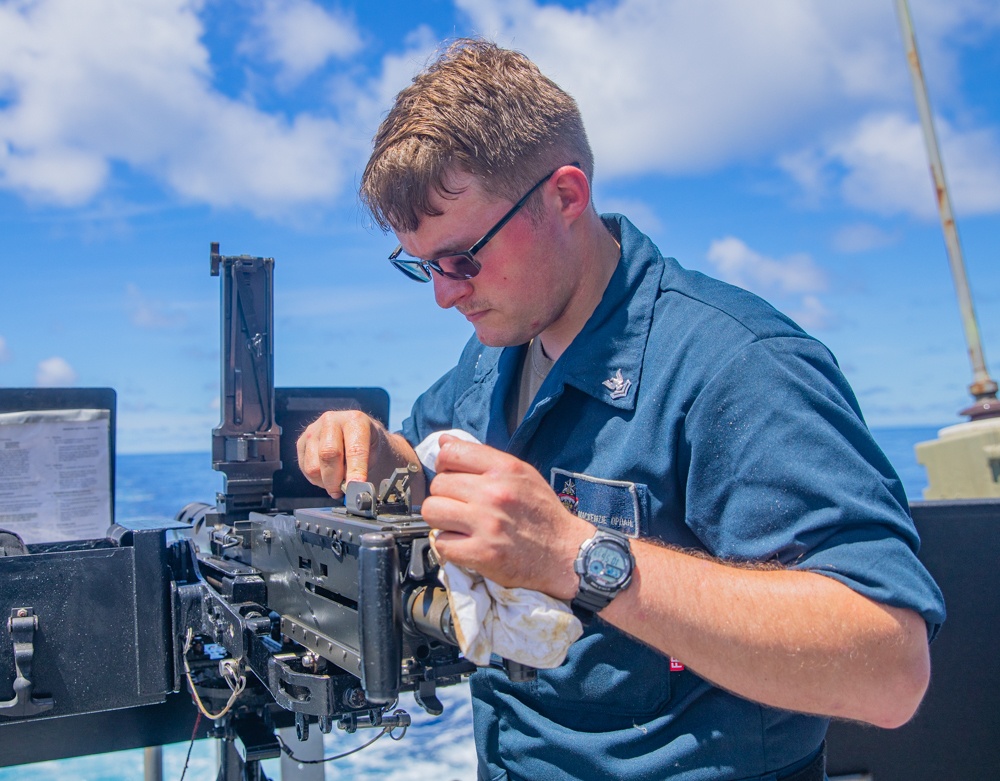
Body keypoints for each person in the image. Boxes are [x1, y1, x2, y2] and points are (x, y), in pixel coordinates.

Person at [297, 38, 945, 781]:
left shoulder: (738, 365)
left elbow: (890, 666)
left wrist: (577, 556)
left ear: (565, 197)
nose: (446, 292)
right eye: (424, 267)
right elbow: (431, 466)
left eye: (464, 257)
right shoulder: (497, 351)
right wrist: (383, 456)